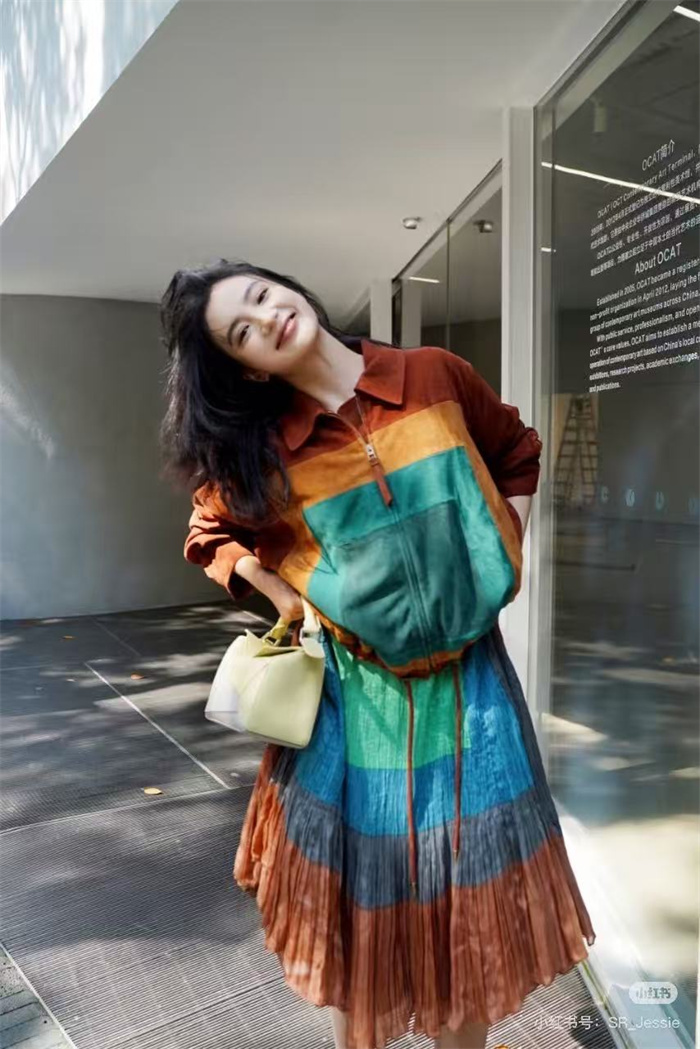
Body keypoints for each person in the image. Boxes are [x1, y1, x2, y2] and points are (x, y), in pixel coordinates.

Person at [159, 258, 596, 1049]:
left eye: (261, 296)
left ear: (290, 287)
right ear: (248, 369)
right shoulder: (264, 453)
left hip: (474, 687)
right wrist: (283, 593)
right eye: (241, 333)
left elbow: (517, 449)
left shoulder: (432, 374)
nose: (266, 319)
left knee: (469, 906)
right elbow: (209, 531)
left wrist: (500, 546)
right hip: (358, 702)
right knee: (366, 917)